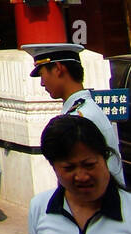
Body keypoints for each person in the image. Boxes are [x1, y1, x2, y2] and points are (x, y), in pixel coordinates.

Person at [29, 114, 131, 234]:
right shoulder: (40, 207)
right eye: (69, 168)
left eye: (89, 165)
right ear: (54, 168)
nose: (82, 176)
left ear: (105, 157)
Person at [23, 43, 125, 187]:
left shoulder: (80, 117)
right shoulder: (83, 109)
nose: (42, 83)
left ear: (58, 69)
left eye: (42, 74)